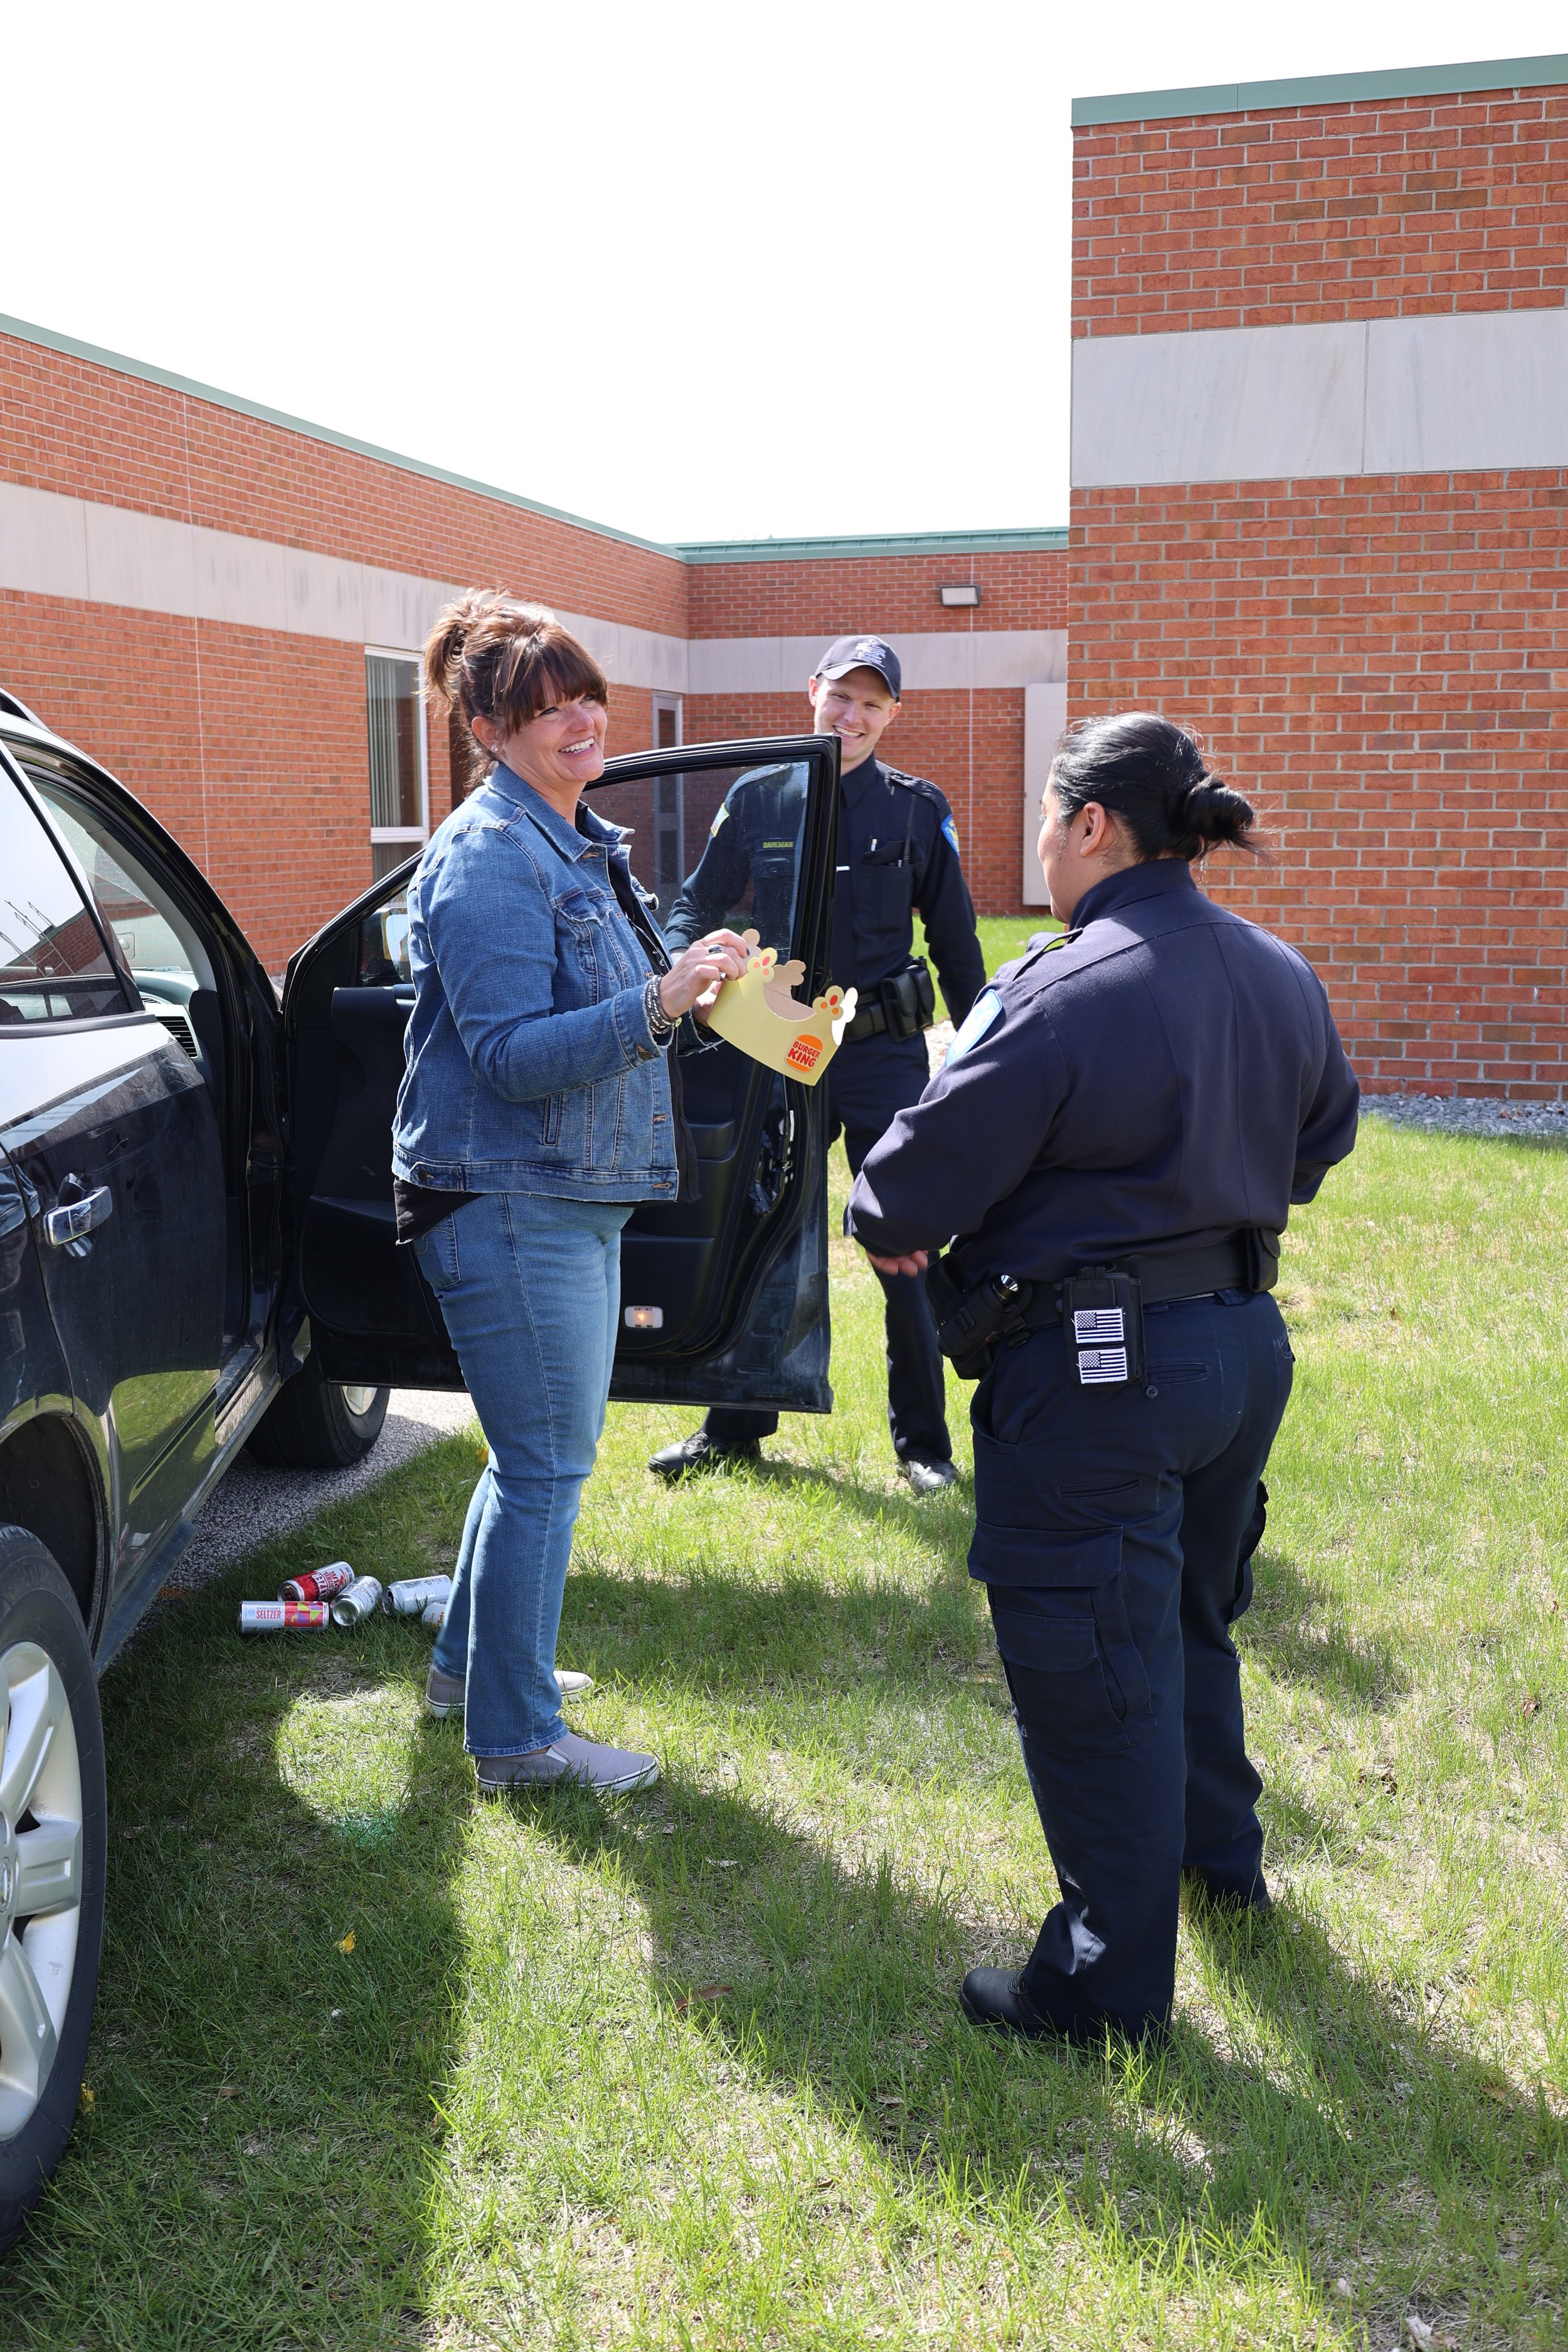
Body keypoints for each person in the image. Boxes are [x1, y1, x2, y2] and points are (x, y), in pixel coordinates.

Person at [845, 712, 1360, 2044]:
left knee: (1091, 1667)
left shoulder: (1069, 987)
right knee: (1187, 1619)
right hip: (1238, 1353)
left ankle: (1100, 1986)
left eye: (1043, 817)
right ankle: (1215, 1871)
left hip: (1099, 1376)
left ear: (1090, 827)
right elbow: (1323, 1137)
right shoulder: (1274, 969)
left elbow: (894, 1195)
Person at [395, 591, 751, 1795]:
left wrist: (696, 984)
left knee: (528, 1457)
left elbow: (601, 1019)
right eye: (544, 709)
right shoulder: (494, 855)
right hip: (506, 1197)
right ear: (489, 732)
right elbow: (506, 1056)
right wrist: (658, 1004)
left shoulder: (574, 838)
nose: (580, 719)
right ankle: (517, 1740)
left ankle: (471, 1672)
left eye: (586, 694)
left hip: (561, 1195)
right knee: (547, 1466)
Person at [649, 634, 987, 1492]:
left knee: (901, 1241)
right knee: (753, 1229)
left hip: (881, 1058)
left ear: (893, 715)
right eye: (843, 696)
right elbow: (696, 897)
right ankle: (734, 1426)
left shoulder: (917, 810)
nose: (854, 716)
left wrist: (982, 1054)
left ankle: (923, 1446)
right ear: (813, 691)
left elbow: (955, 946)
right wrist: (686, 961)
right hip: (779, 1050)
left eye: (874, 703)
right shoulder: (760, 797)